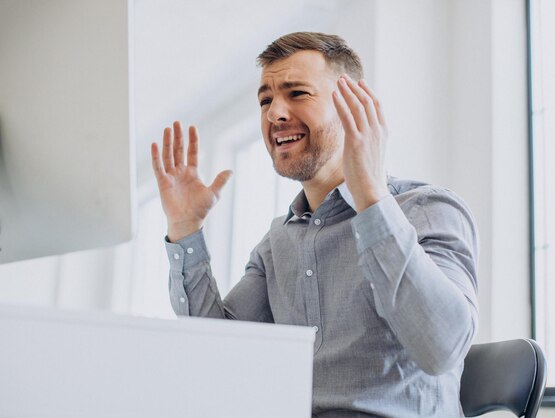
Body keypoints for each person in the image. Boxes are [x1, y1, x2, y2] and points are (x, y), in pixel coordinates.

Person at [151, 32, 479, 417]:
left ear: (351, 105)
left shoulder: (427, 209)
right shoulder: (278, 242)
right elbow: (218, 354)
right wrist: (185, 228)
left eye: (297, 93)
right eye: (265, 100)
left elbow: (443, 348)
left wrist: (372, 199)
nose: (274, 113)